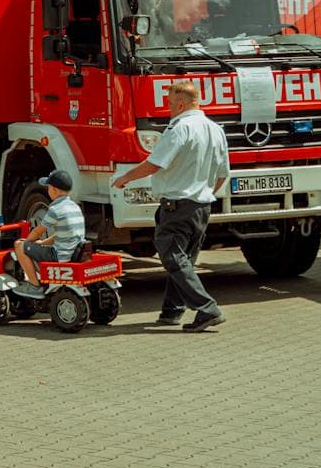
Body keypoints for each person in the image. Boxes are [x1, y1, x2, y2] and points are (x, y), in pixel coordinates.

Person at [114, 79, 231, 331]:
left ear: (180, 104)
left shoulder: (179, 128)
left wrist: (125, 178)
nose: (167, 108)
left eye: (169, 103)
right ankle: (172, 311)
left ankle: (207, 309)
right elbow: (223, 173)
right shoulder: (215, 129)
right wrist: (205, 192)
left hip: (177, 205)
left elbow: (155, 162)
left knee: (173, 258)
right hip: (201, 205)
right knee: (183, 260)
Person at [13, 171, 86, 287]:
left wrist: (26, 242)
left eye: (48, 188)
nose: (47, 190)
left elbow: (37, 231)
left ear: (55, 190)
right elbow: (62, 235)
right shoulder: (74, 207)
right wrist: (42, 243)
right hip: (72, 253)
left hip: (59, 256)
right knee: (32, 246)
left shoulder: (55, 209)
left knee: (19, 246)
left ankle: (34, 285)